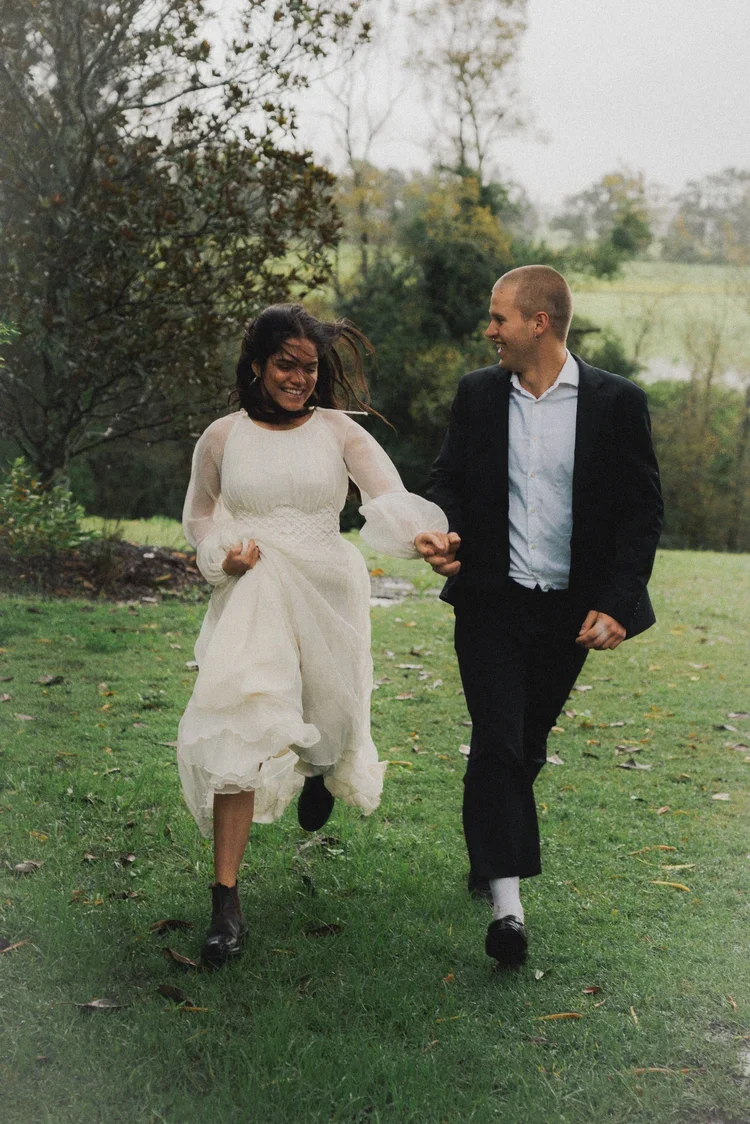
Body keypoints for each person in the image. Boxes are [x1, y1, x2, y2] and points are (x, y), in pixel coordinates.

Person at [177, 304, 449, 968]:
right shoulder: (221, 436)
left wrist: (423, 536)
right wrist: (221, 557)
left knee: (331, 723)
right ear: (256, 365)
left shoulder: (336, 431)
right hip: (255, 594)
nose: (298, 378)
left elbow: (386, 494)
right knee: (241, 730)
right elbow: (200, 514)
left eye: (308, 367)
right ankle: (226, 902)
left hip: (328, 590)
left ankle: (324, 774)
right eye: (285, 365)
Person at [416, 265, 663, 967]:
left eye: (498, 318)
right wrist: (450, 534)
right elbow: (449, 481)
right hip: (492, 601)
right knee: (496, 740)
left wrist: (617, 603)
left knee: (523, 747)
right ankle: (508, 911)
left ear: (539, 322)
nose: (488, 330)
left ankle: (486, 846)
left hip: (571, 614)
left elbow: (642, 514)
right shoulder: (478, 395)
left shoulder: (618, 404)